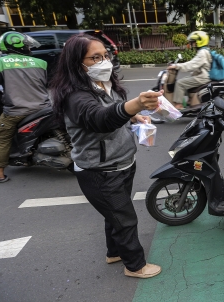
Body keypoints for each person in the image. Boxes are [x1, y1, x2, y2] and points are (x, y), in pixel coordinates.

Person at [50, 34, 163, 279]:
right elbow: (100, 119)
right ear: (76, 63)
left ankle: (114, 252)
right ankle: (135, 266)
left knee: (113, 216)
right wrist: (135, 105)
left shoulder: (106, 84)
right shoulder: (75, 96)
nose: (104, 62)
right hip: (99, 171)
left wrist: (136, 117)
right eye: (95, 57)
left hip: (123, 163)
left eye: (105, 55)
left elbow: (116, 110)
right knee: (124, 219)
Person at [0, 32, 51, 184]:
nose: (29, 48)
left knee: (1, 137)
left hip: (17, 111)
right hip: (44, 107)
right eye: (28, 45)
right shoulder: (41, 63)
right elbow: (45, 84)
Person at [167, 31, 211, 110]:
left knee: (180, 83)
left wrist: (177, 66)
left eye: (193, 42)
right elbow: (194, 64)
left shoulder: (202, 53)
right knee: (185, 80)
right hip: (202, 75)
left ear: (199, 41)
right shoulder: (204, 51)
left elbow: (192, 65)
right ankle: (191, 100)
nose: (192, 44)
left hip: (203, 77)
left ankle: (178, 105)